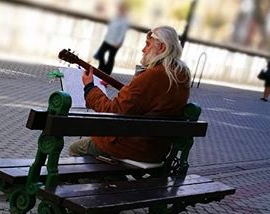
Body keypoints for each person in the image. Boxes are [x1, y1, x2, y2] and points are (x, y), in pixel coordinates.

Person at [69, 26, 191, 164]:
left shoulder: (154, 75)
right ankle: (108, 179)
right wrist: (124, 90)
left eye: (147, 44)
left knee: (76, 149)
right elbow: (144, 100)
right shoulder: (180, 74)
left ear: (161, 47)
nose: (143, 50)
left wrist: (90, 87)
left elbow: (112, 111)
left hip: (133, 147)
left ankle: (100, 182)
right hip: (157, 148)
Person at [93, 3, 130, 75]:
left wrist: (118, 43)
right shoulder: (115, 17)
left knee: (111, 57)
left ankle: (107, 73)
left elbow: (122, 33)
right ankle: (101, 69)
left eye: (121, 9)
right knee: (100, 54)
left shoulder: (125, 21)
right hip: (107, 40)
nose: (120, 10)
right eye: (119, 8)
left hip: (115, 42)